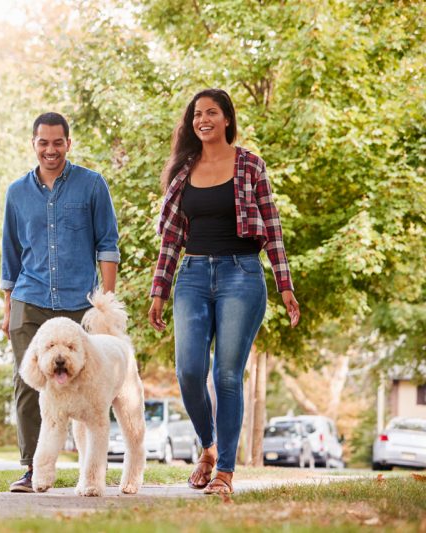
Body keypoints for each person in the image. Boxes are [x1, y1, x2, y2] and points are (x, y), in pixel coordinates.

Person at [147, 89, 300, 495]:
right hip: (193, 276)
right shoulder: (184, 170)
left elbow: (273, 228)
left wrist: (285, 286)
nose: (203, 119)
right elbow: (171, 239)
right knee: (189, 371)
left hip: (241, 276)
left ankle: (225, 473)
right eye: (197, 114)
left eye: (211, 112)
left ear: (227, 119)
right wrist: (159, 289)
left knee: (227, 375)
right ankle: (209, 447)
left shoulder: (250, 164)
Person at [1, 112, 120, 493]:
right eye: (42, 142)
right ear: (33, 144)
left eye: (57, 142)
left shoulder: (92, 185)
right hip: (29, 298)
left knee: (88, 384)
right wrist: (7, 310)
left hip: (78, 304)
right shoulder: (16, 193)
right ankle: (32, 469)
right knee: (28, 384)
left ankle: (91, 469)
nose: (50, 149)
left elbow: (108, 244)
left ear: (68, 143)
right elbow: (10, 254)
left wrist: (106, 301)